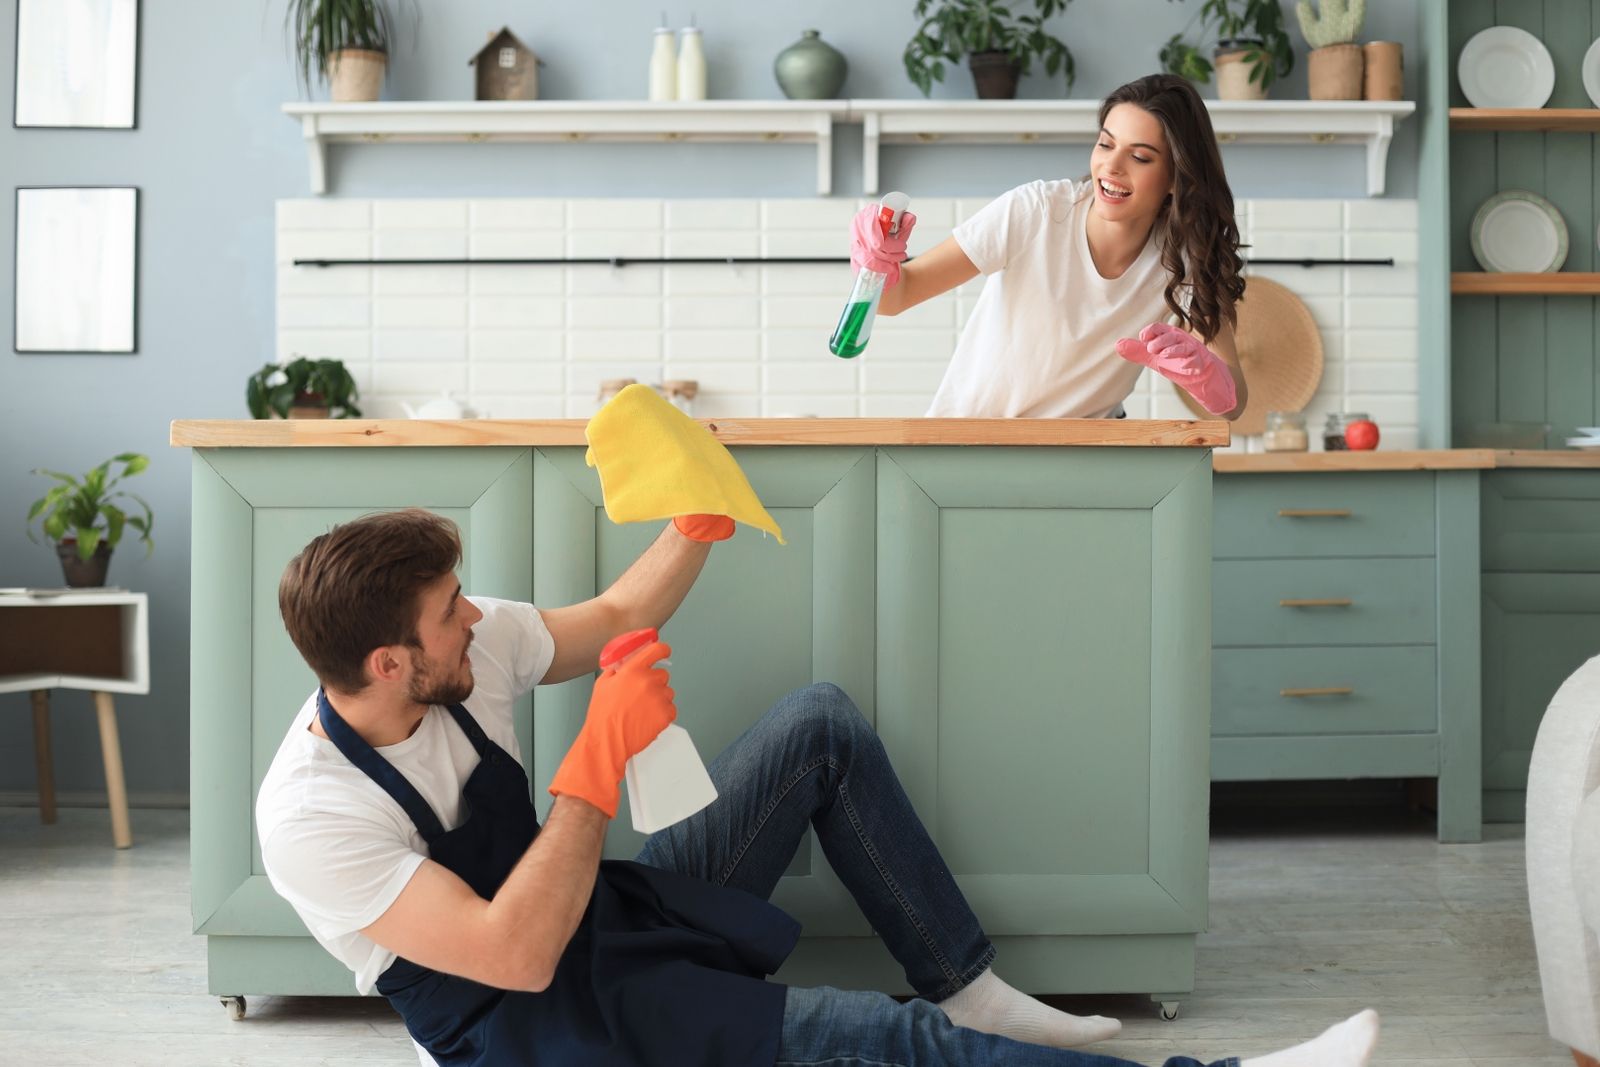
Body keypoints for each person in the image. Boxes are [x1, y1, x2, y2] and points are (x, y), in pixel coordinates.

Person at [257, 506, 1379, 1067]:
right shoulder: (313, 813)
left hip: (598, 912)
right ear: (389, 664)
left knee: (817, 727)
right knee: (877, 1039)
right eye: (451, 611)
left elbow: (614, 614)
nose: (476, 616)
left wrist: (699, 515)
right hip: (541, 1024)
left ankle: (969, 984)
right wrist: (594, 762)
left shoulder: (460, 649)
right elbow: (515, 954)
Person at [850, 73, 1249, 423]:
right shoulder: (1035, 212)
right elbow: (896, 298)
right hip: (967, 440)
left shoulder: (1184, 261)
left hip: (1080, 459)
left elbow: (1235, 403)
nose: (1111, 167)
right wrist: (877, 270)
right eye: (1106, 145)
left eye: (1140, 157)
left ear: (1176, 178)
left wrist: (1211, 379)